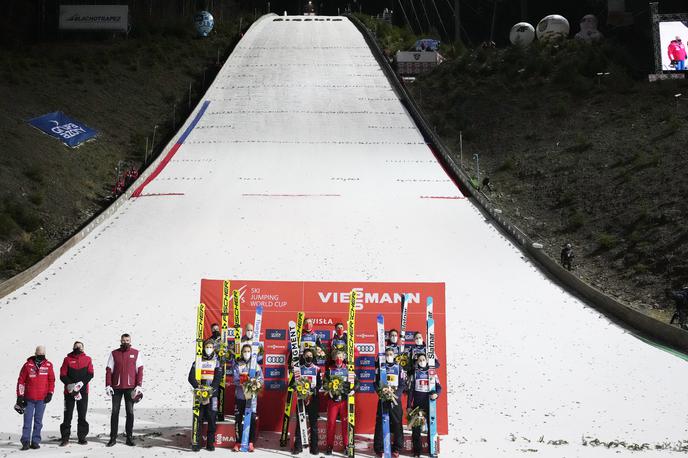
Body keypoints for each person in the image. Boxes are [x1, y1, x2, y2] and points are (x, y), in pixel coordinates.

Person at [105, 333, 143, 447]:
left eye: (127, 340)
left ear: (130, 340)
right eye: (123, 340)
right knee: (115, 412)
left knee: (130, 412)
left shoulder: (136, 353)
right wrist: (108, 385)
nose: (125, 342)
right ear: (120, 341)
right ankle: (113, 438)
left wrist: (139, 385)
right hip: (116, 388)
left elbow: (140, 370)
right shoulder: (114, 353)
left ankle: (129, 437)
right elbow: (108, 370)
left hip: (130, 388)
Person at [16, 346, 55, 450]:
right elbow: (21, 381)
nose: (41, 356)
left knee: (38, 421)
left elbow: (51, 380)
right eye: (39, 354)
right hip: (29, 399)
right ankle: (25, 442)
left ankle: (35, 441)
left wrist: (50, 393)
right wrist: (20, 396)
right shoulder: (27, 365)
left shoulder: (48, 365)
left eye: (43, 354)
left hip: (42, 399)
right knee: (27, 421)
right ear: (35, 353)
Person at [188, 340, 222, 452]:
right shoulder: (198, 360)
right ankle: (197, 442)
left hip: (212, 395)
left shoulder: (217, 361)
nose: (209, 348)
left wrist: (210, 389)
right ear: (203, 347)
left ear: (213, 348)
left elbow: (218, 378)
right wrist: (199, 387)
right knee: (199, 418)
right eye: (207, 346)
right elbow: (191, 377)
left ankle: (210, 443)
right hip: (200, 394)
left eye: (211, 347)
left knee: (212, 418)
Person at [59, 341, 94, 446]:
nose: (78, 348)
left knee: (82, 415)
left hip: (83, 392)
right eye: (76, 346)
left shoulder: (88, 359)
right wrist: (70, 385)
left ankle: (82, 437)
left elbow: (90, 374)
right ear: (73, 347)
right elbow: (62, 374)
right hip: (69, 392)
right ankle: (65, 438)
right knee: (67, 415)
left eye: (80, 346)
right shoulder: (67, 359)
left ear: (83, 348)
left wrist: (81, 384)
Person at [323, 349, 358, 455]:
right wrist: (328, 391)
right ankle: (329, 446)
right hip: (333, 400)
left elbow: (357, 383)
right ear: (333, 358)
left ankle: (347, 446)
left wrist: (353, 390)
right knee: (331, 424)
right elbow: (325, 383)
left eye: (341, 356)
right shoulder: (329, 370)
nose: (339, 359)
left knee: (345, 424)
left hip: (344, 401)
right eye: (337, 356)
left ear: (344, 358)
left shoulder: (348, 369)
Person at [407, 354, 442, 458]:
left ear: (427, 361)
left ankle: (432, 450)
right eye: (420, 360)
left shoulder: (432, 373)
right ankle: (417, 452)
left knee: (431, 428)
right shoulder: (415, 373)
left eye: (423, 359)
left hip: (429, 405)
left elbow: (439, 387)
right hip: (417, 405)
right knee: (416, 429)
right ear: (417, 362)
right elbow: (411, 391)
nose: (422, 361)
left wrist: (436, 394)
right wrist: (409, 405)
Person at [373, 347, 406, 458]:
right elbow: (375, 383)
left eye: (391, 354)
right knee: (380, 423)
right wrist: (381, 392)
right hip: (383, 399)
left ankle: (397, 448)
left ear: (394, 355)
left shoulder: (399, 368)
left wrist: (395, 395)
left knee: (397, 424)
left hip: (395, 400)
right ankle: (379, 449)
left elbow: (403, 384)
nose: (389, 356)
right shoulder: (380, 368)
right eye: (387, 354)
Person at [232, 343, 264, 452]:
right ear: (242, 353)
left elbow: (261, 379)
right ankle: (238, 442)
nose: (246, 353)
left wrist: (255, 383)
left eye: (248, 351)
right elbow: (235, 379)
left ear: (251, 353)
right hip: (240, 396)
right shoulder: (238, 364)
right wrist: (243, 381)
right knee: (238, 419)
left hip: (251, 398)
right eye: (244, 351)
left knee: (252, 420)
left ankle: (250, 442)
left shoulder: (255, 364)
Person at [292, 347, 322, 455]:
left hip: (313, 399)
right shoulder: (298, 369)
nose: (308, 357)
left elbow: (319, 385)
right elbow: (292, 384)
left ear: (313, 356)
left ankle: (314, 448)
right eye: (306, 355)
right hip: (301, 399)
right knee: (300, 423)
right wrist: (298, 388)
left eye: (310, 355)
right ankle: (298, 447)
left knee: (313, 424)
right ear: (303, 357)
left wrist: (312, 390)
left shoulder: (317, 369)